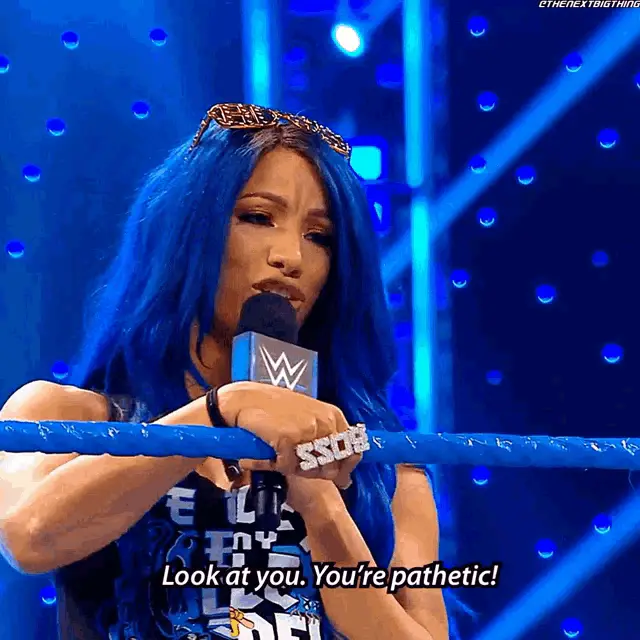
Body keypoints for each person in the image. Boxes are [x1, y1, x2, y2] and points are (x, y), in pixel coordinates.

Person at [0, 103, 449, 640]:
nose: (291, 256)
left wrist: (320, 506)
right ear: (188, 232)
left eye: (319, 237)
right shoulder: (64, 415)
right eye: (258, 218)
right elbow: (29, 537)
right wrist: (220, 411)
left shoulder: (382, 466)